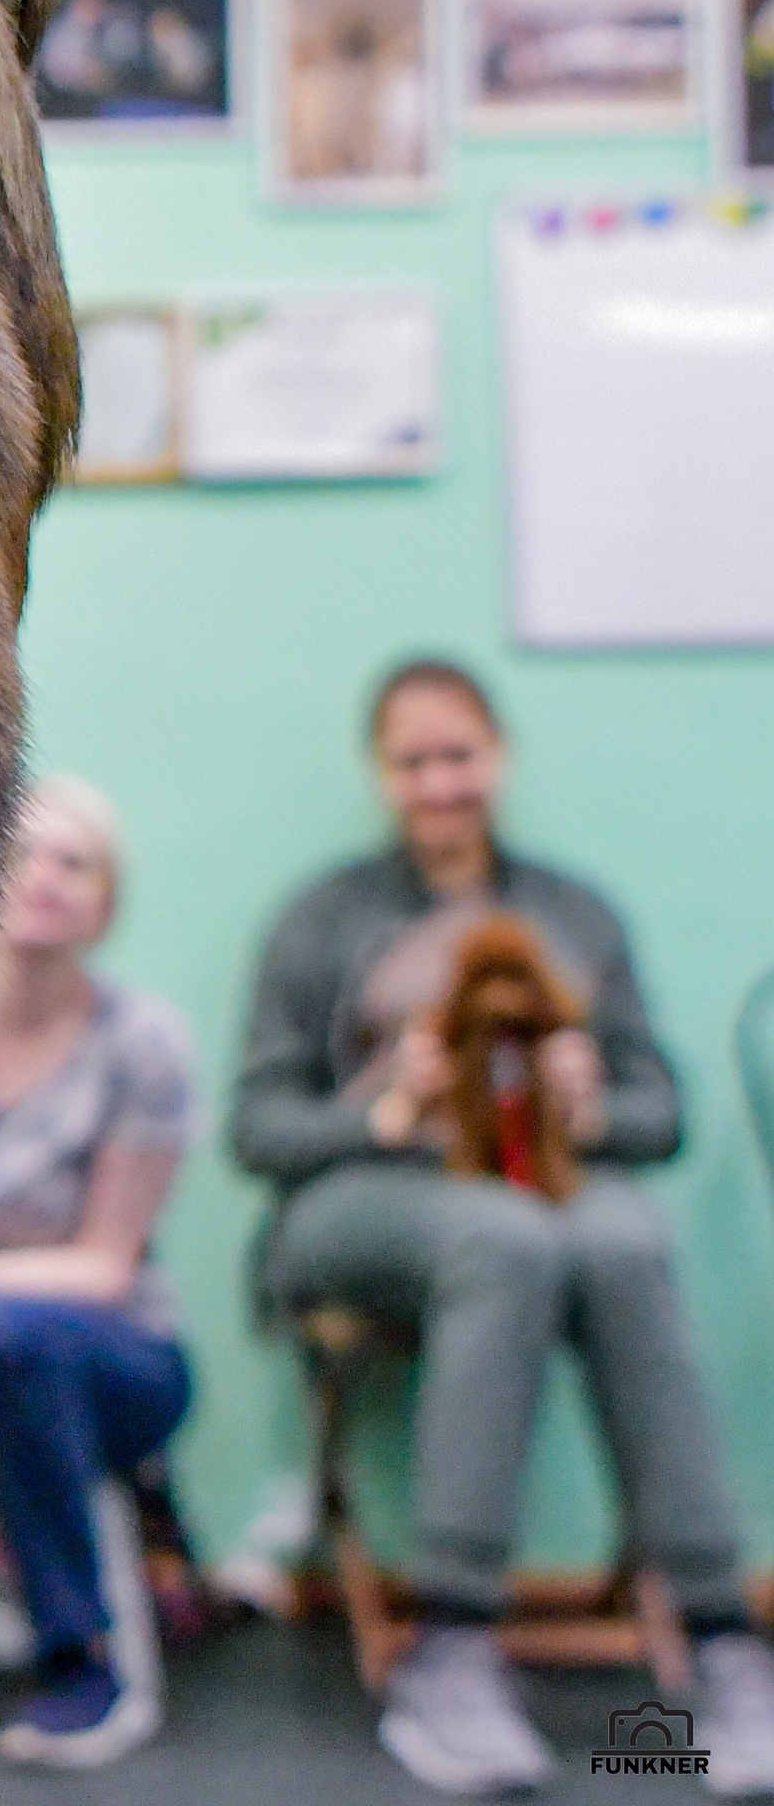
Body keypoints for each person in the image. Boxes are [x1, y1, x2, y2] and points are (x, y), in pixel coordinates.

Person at [234, 657, 774, 1800]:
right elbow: (257, 1129)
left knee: (624, 1239)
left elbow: (661, 1114)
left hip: (546, 1185)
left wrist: (591, 1103)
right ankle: (449, 1643)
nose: (439, 781)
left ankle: (722, 1637)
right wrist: (383, 1108)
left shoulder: (572, 914)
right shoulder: (324, 916)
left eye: (458, 755)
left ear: (499, 758)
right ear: (380, 774)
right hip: (360, 1201)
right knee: (507, 1239)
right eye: (412, 761)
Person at [0, 777, 197, 1771]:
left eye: (75, 862)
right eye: (21, 854)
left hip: (106, 1357)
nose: (46, 877)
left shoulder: (141, 1044)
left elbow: (104, 1266)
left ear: (106, 902)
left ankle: (82, 1665)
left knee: (3, 1341)